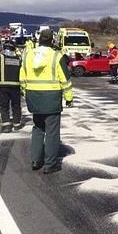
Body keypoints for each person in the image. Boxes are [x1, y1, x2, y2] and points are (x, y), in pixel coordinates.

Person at [20, 29, 73, 174]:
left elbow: (22, 77)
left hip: (34, 97)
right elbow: (65, 80)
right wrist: (69, 98)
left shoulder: (28, 55)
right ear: (52, 41)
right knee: (52, 131)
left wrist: (27, 94)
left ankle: (36, 160)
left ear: (38, 40)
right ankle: (50, 164)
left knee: (38, 128)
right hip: (51, 98)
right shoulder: (56, 56)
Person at [0, 41, 23, 133]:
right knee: (16, 105)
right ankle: (16, 124)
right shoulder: (19, 58)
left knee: (4, 106)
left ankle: (6, 125)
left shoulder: (0, 57)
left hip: (3, 85)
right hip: (16, 85)